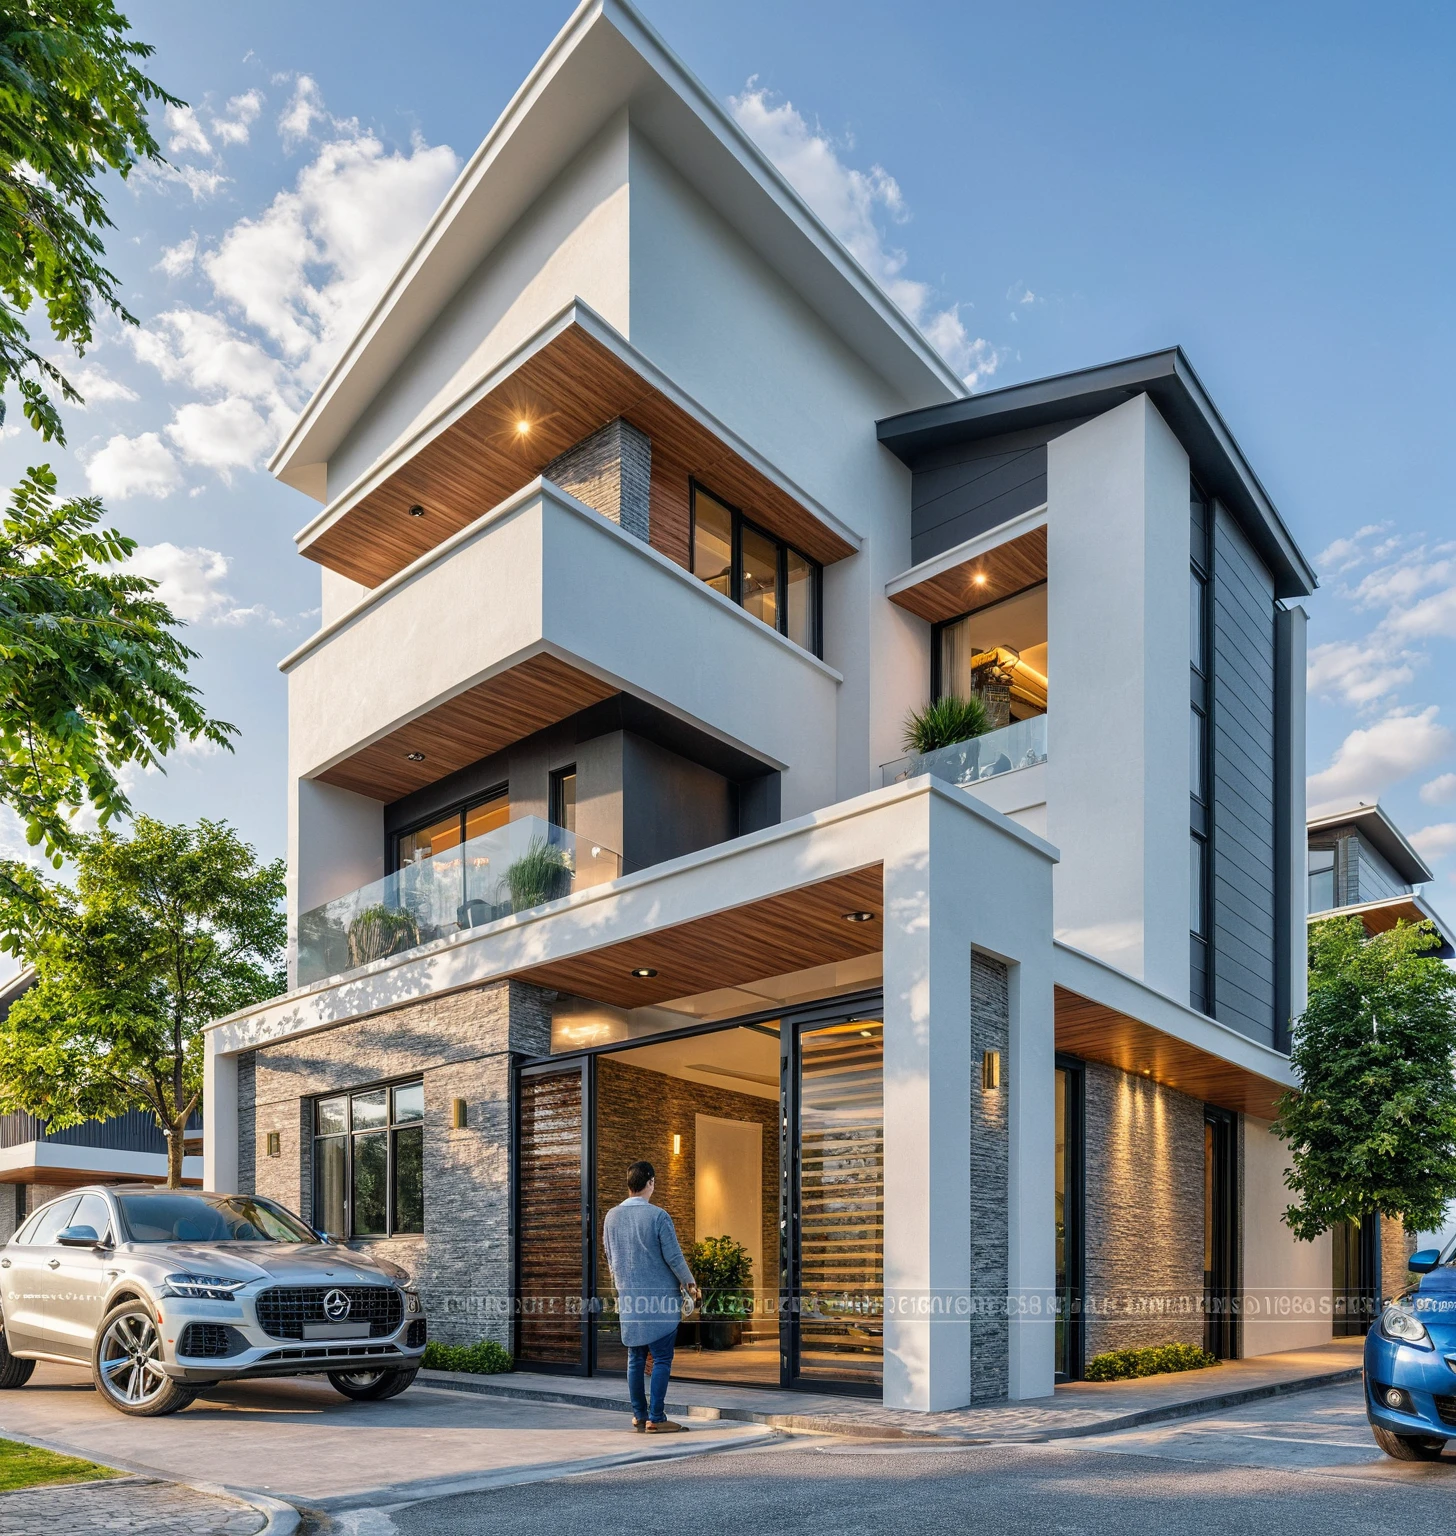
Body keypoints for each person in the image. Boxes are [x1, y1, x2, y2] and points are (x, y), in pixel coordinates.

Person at [602, 1159, 699, 1433]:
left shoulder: (611, 1216)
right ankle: (656, 1418)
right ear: (651, 1183)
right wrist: (690, 1283)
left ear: (629, 1185)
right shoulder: (658, 1216)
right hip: (660, 1302)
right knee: (661, 1359)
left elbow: (610, 1258)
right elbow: (674, 1257)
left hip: (630, 1299)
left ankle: (638, 1415)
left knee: (635, 1358)